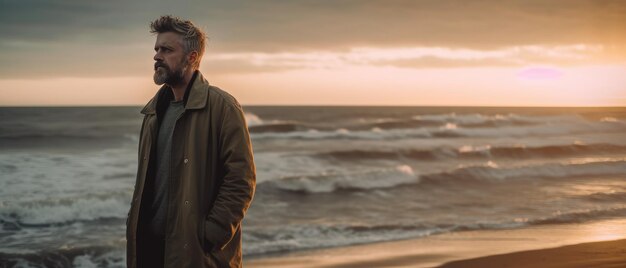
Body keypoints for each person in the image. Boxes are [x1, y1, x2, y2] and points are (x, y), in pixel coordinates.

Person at [125, 15, 256, 268]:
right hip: (150, 250)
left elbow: (241, 179)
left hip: (196, 252)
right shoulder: (153, 112)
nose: (156, 56)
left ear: (192, 57)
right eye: (156, 49)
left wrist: (212, 234)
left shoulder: (222, 107)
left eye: (167, 50)